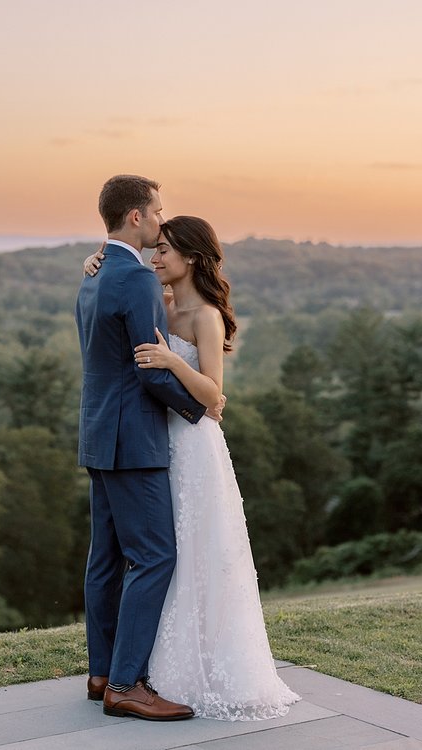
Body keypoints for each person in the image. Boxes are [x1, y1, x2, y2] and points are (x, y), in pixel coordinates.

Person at [83, 215, 301, 720]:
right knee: (163, 555)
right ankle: (150, 668)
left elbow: (213, 394)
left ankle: (196, 663)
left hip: (194, 444)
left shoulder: (205, 315)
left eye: (164, 251)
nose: (155, 258)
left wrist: (172, 361)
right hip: (158, 443)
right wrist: (93, 259)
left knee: (197, 551)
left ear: (192, 258)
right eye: (154, 249)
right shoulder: (157, 302)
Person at [75, 175, 223, 721]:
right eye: (158, 212)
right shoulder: (135, 279)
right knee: (155, 555)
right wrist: (200, 409)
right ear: (136, 216)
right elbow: (147, 367)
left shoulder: (91, 277)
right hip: (134, 439)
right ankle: (128, 684)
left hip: (98, 434)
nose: (163, 221)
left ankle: (101, 672)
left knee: (106, 559)